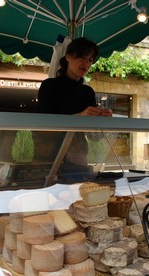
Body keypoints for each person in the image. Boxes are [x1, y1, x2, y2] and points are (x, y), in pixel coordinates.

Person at [37, 37, 112, 182]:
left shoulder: (87, 92)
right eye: (83, 57)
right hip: (49, 156)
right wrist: (79, 117)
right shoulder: (50, 86)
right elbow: (42, 126)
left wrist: (100, 120)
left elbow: (93, 137)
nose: (87, 63)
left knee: (77, 199)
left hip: (77, 158)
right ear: (68, 57)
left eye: (90, 60)